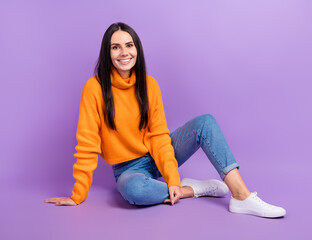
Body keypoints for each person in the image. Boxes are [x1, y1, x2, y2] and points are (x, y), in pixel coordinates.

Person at [45, 22, 286, 218]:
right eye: (115, 47)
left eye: (129, 45)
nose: (124, 52)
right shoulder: (94, 88)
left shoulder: (149, 85)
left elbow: (159, 137)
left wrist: (170, 176)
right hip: (127, 169)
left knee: (205, 122)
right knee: (134, 191)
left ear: (137, 49)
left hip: (156, 155)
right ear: (107, 53)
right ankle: (193, 189)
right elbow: (87, 144)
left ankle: (241, 196)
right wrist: (77, 195)